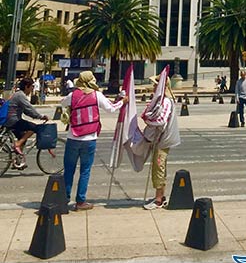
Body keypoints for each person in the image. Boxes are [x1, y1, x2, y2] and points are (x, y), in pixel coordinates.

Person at [60, 70, 126, 211]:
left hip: (73, 137)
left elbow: (62, 103)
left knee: (69, 170)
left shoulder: (73, 95)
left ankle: (64, 199)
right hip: (89, 138)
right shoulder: (97, 95)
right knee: (85, 170)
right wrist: (122, 102)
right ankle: (80, 201)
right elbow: (111, 109)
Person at [141, 73, 181, 209]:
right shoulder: (161, 100)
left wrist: (147, 118)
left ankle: (158, 199)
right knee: (158, 167)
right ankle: (160, 195)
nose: (153, 86)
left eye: (155, 84)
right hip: (159, 139)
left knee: (159, 167)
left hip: (162, 140)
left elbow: (161, 120)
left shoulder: (165, 102)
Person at [4, 77, 49, 168]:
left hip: (9, 120)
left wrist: (35, 116)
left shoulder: (17, 94)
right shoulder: (21, 95)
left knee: (22, 137)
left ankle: (17, 161)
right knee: (34, 127)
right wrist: (40, 116)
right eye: (31, 87)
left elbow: (26, 111)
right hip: (13, 120)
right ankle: (17, 144)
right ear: (26, 86)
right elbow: (29, 109)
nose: (32, 89)